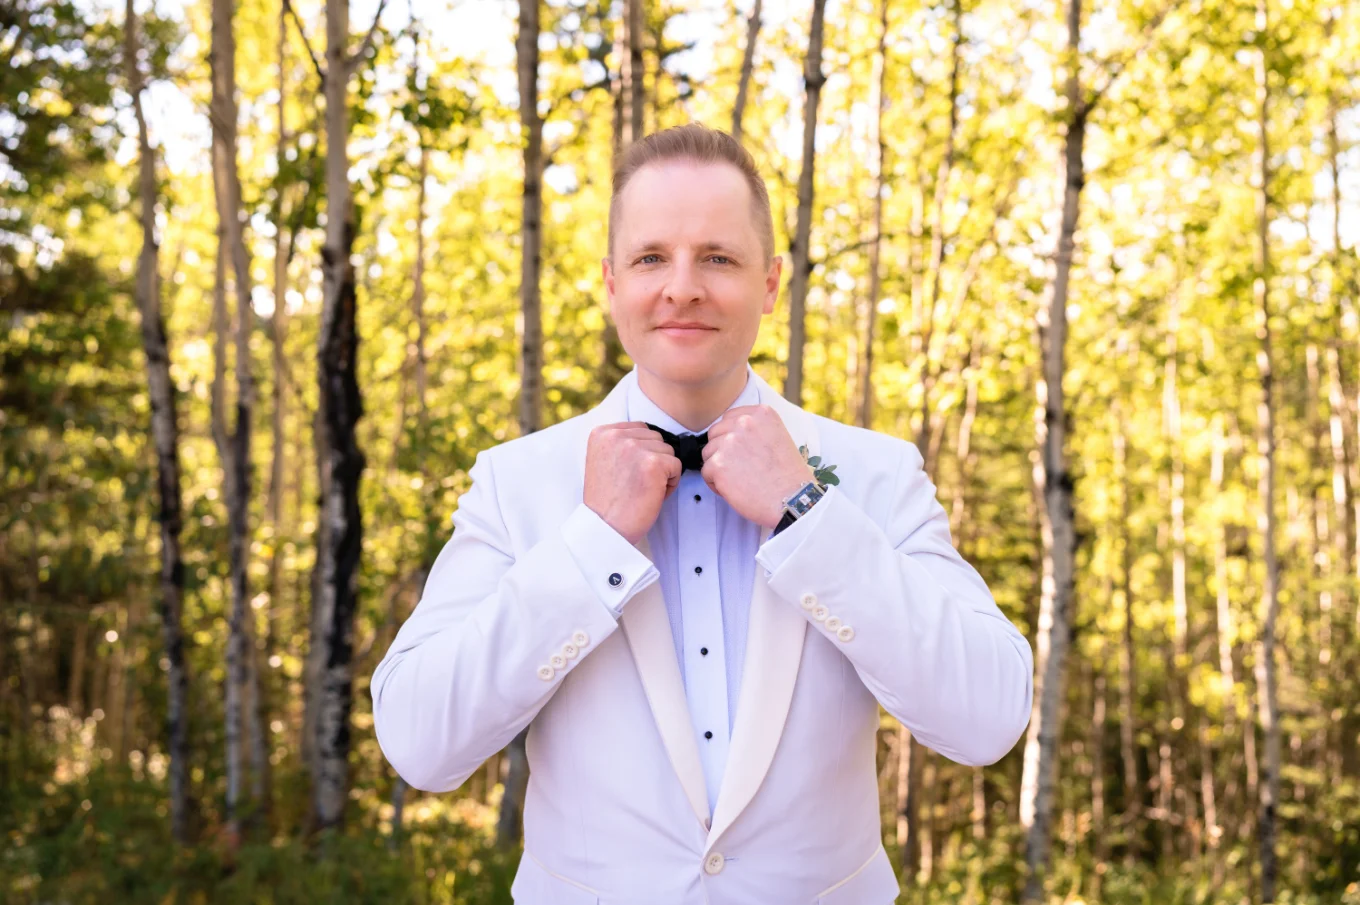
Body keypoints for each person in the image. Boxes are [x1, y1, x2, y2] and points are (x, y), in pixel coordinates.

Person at [371, 123, 1034, 905]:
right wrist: (589, 548)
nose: (682, 286)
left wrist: (807, 515)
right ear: (613, 282)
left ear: (771, 284)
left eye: (717, 257)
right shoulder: (517, 481)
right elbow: (420, 741)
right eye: (653, 257)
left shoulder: (875, 473)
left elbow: (988, 718)